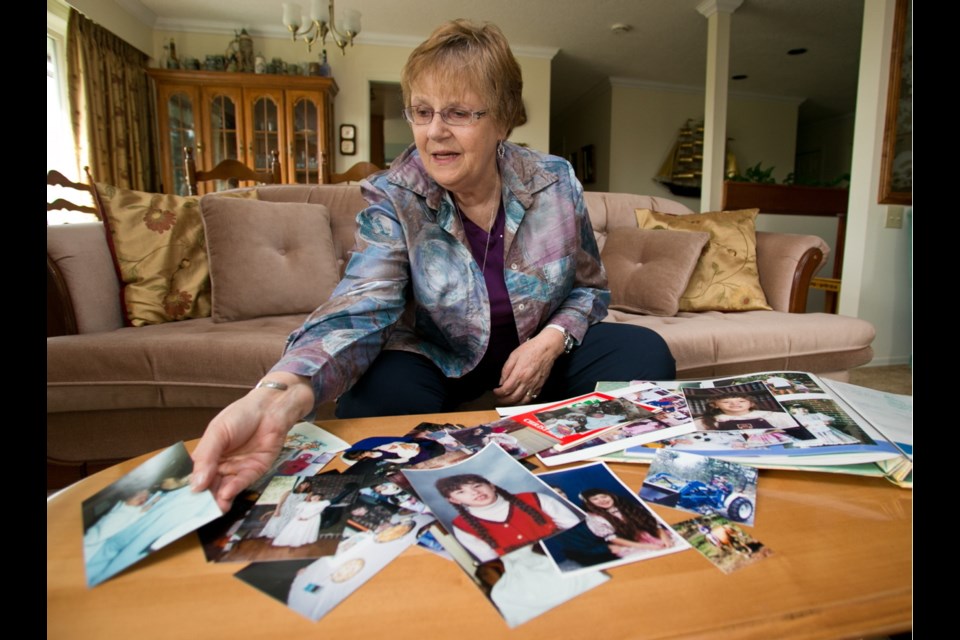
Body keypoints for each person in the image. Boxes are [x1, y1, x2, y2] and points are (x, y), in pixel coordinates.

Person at [190, 19, 676, 512]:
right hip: (438, 358)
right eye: (422, 112)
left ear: (503, 120)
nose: (435, 132)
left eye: (459, 112)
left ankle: (600, 495)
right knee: (373, 401)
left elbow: (589, 290)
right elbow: (363, 303)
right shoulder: (396, 195)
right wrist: (280, 394)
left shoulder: (553, 181)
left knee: (644, 353)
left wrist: (548, 345)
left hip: (533, 357)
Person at [436, 473, 580, 562]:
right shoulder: (462, 526)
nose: (475, 492)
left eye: (477, 485)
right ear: (454, 500)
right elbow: (491, 561)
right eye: (461, 492)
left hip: (570, 558)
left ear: (491, 486)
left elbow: (577, 529)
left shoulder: (534, 498)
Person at [578, 488, 675, 557]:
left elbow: (652, 523)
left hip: (652, 535)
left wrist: (664, 537)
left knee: (672, 545)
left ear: (611, 496)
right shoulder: (596, 518)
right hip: (631, 543)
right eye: (595, 499)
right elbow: (612, 538)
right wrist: (647, 546)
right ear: (589, 503)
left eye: (604, 496)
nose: (602, 500)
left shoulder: (627, 506)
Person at [694, 393, 802, 432]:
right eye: (726, 402)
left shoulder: (771, 415)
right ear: (715, 405)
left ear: (751, 404)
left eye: (741, 401)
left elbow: (795, 429)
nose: (734, 404)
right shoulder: (707, 421)